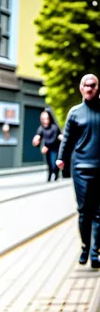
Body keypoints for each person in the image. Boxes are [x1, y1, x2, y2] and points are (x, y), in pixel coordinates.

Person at [57, 74, 100, 269]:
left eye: (93, 85)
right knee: (84, 212)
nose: (89, 89)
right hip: (80, 168)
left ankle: (94, 252)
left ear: (98, 88)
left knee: (99, 213)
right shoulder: (75, 113)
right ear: (81, 89)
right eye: (86, 85)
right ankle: (85, 246)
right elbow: (67, 139)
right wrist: (61, 158)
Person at [32, 109, 63, 182]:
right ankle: (49, 177)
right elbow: (38, 136)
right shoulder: (41, 128)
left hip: (55, 149)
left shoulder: (54, 127)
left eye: (47, 118)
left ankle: (55, 175)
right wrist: (36, 140)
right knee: (49, 164)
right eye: (43, 119)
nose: (45, 121)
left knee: (54, 163)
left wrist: (47, 146)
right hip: (48, 150)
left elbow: (55, 138)